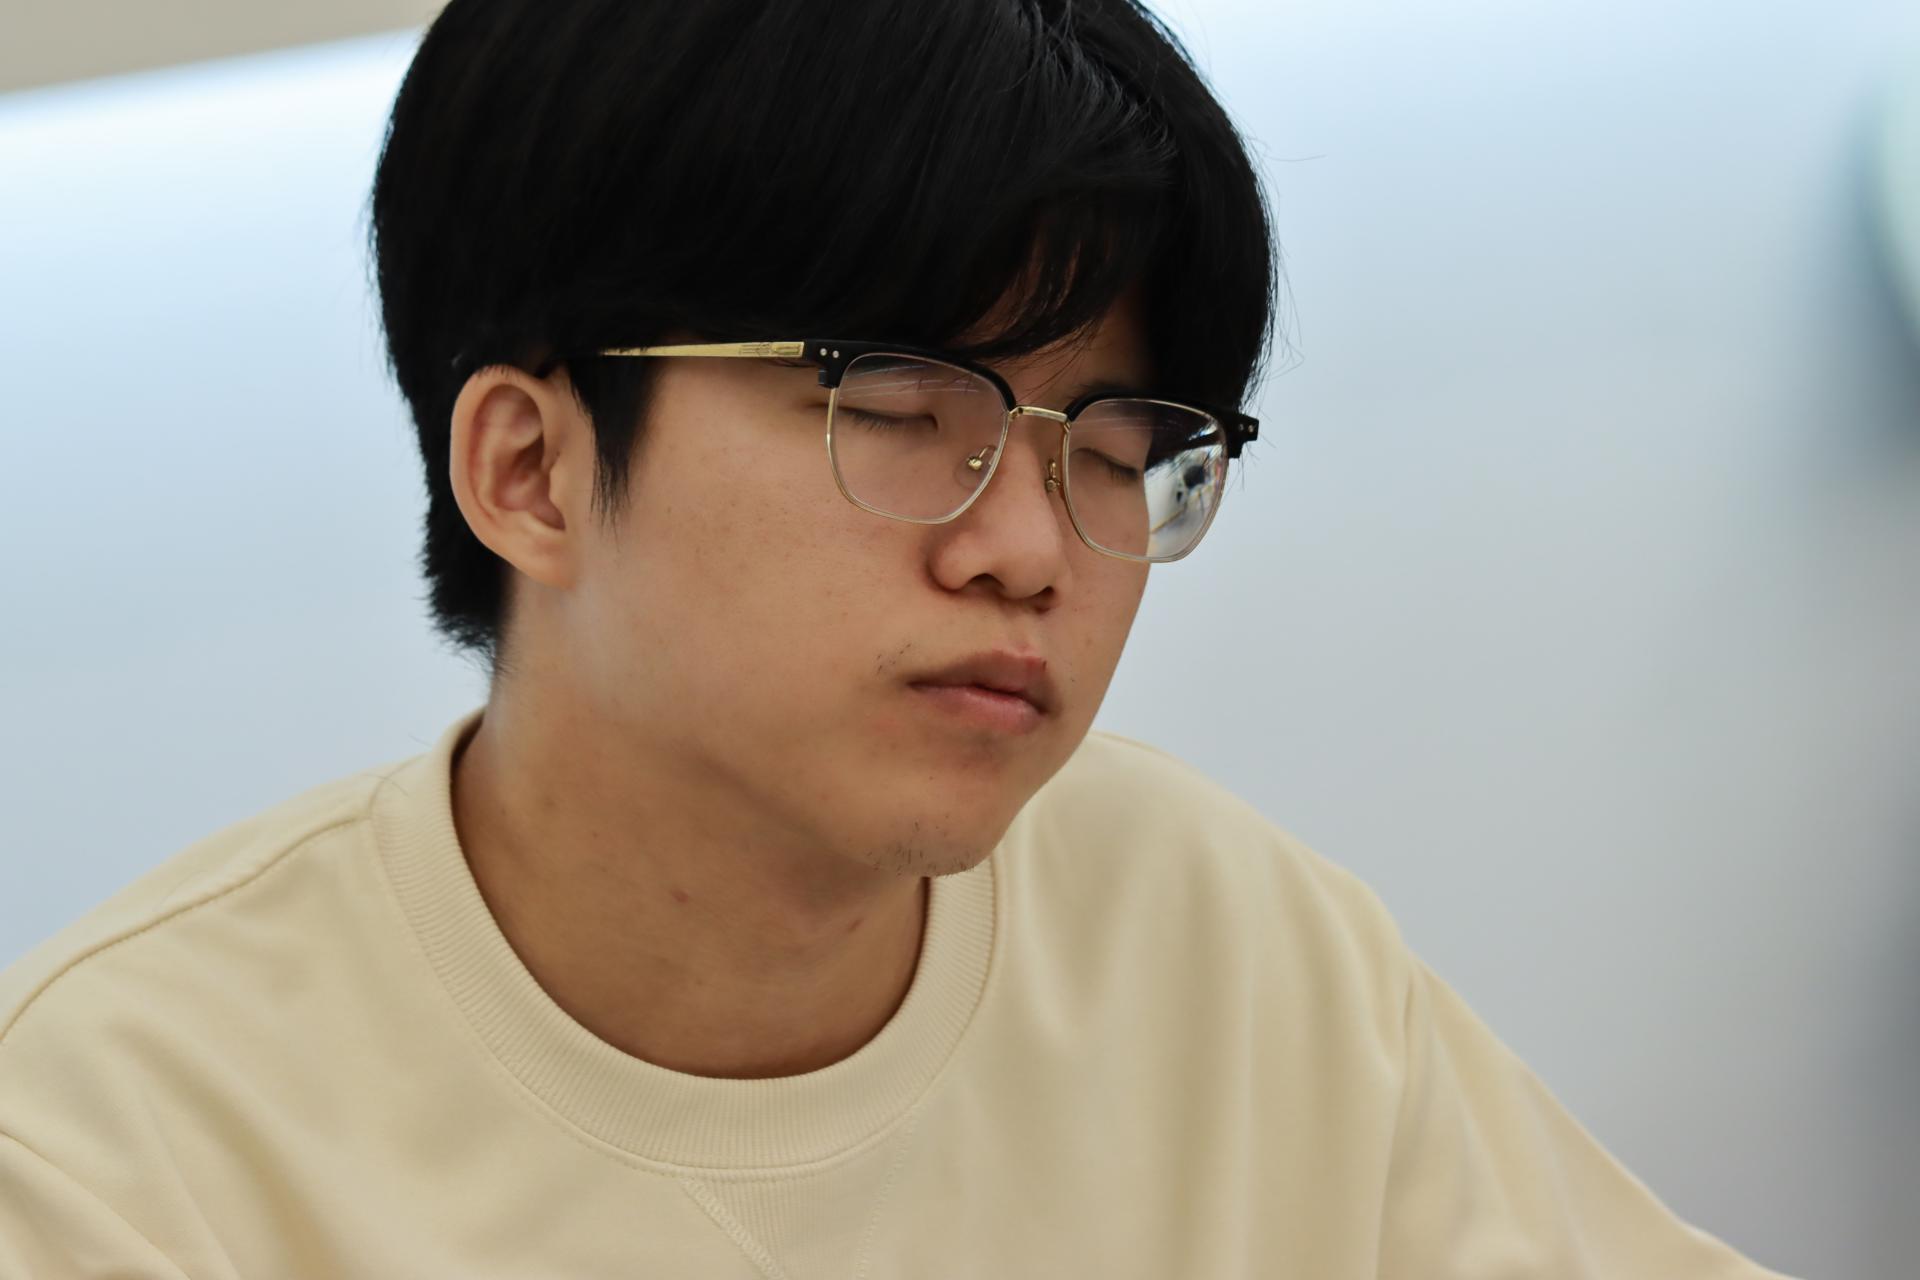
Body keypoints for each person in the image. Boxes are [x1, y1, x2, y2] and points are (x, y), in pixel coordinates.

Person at [0, 2, 1801, 1276]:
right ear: (529, 471)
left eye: (1119, 446)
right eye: (900, 408)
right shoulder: (116, 1158)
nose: (1030, 550)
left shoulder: (1214, 933)